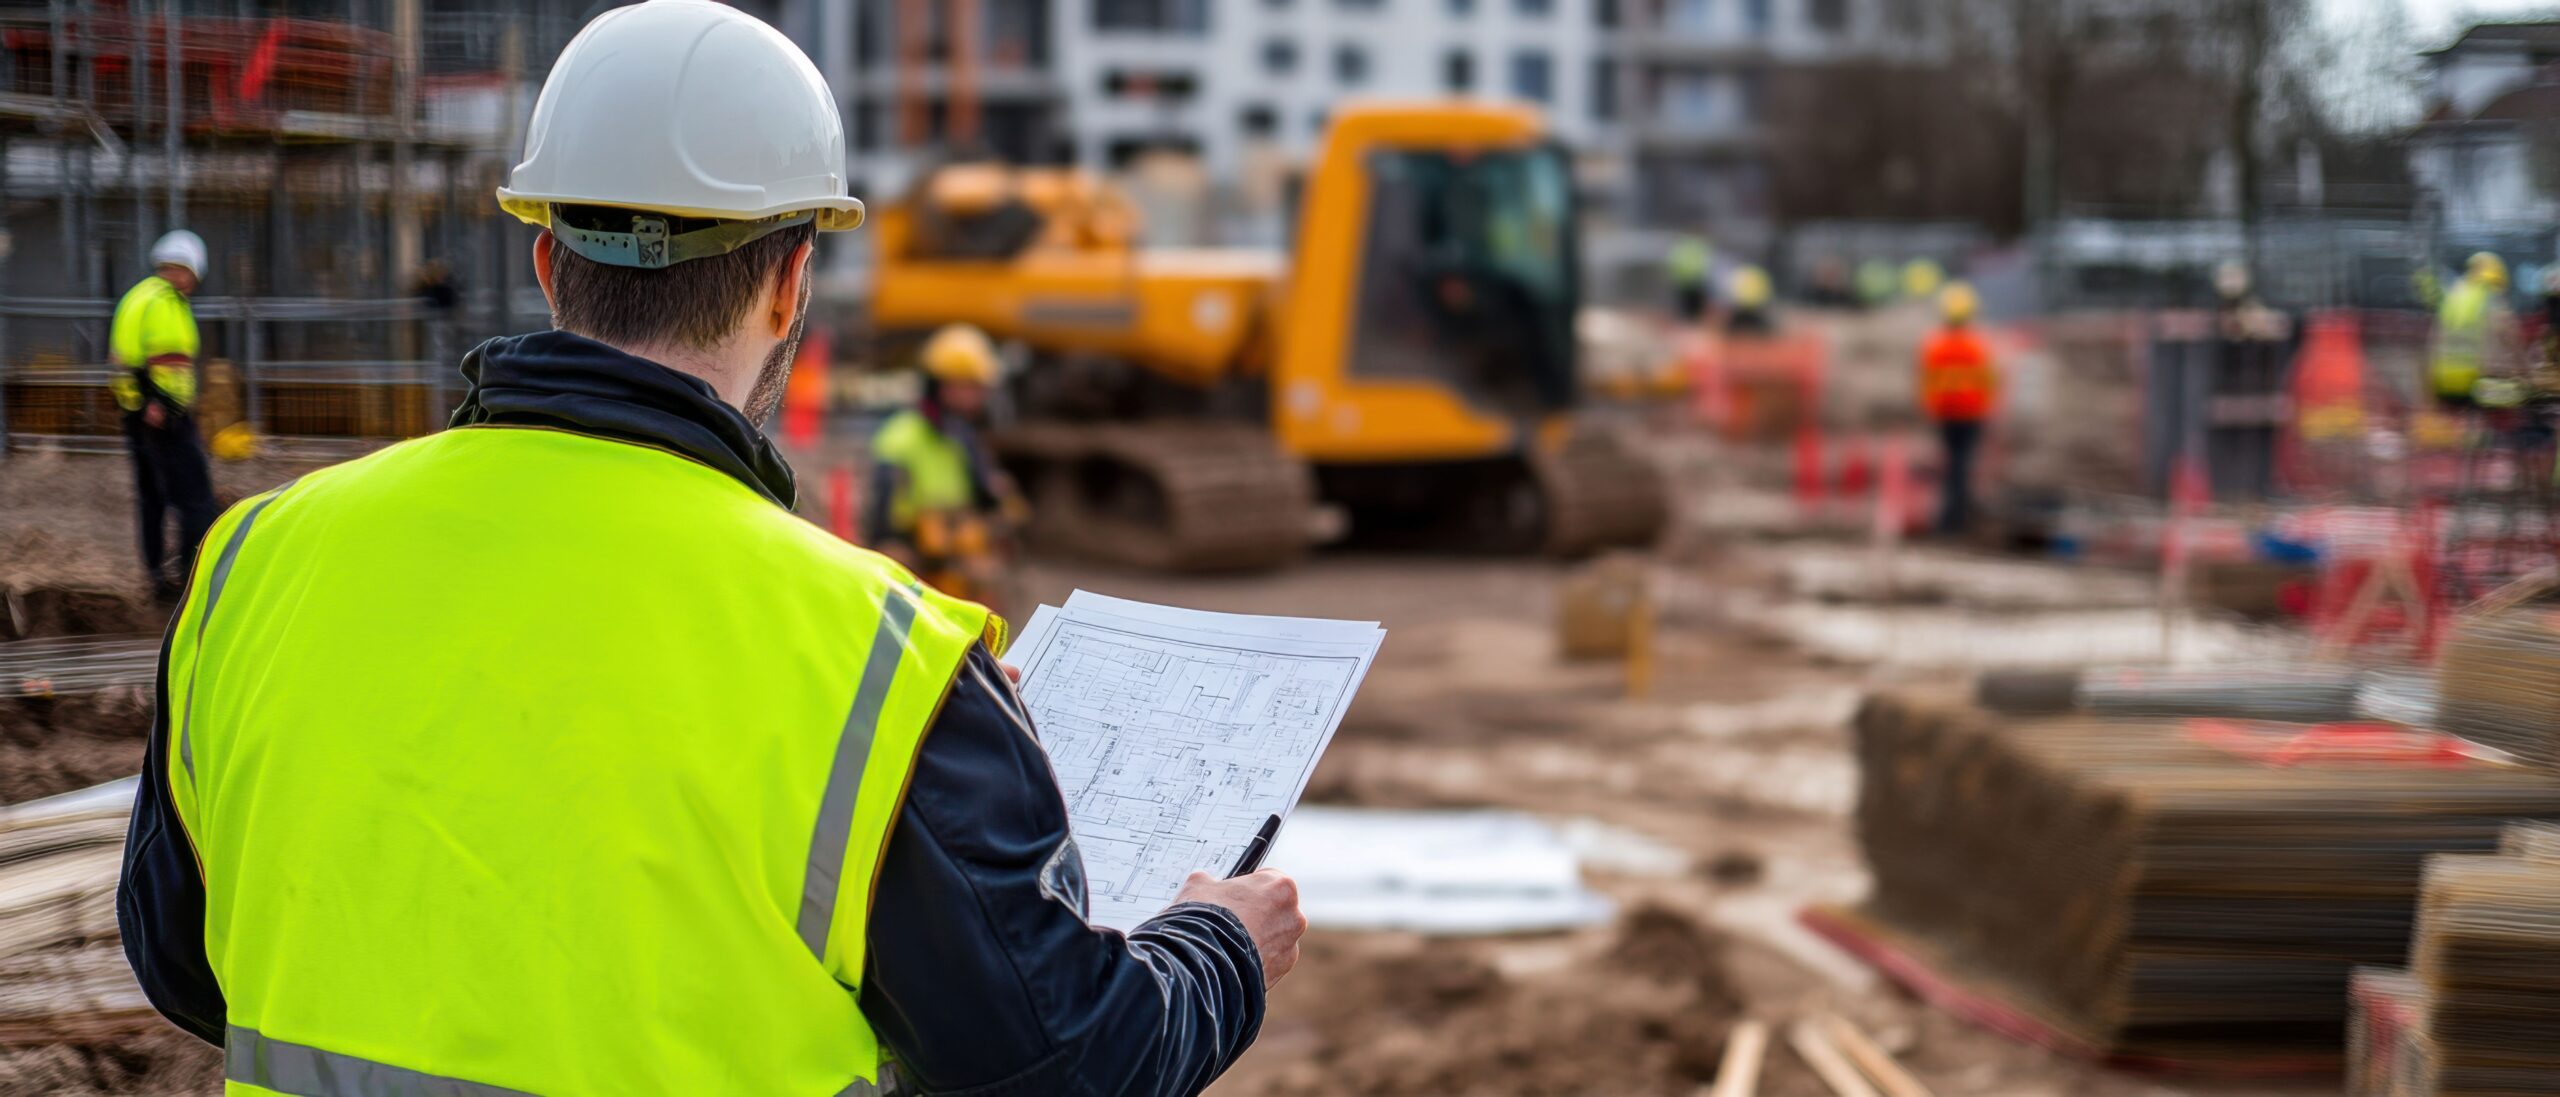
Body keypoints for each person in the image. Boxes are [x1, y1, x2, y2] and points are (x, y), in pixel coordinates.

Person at [116, 5, 1302, 1096]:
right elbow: (1073, 1061)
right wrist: (1218, 944)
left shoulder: (251, 562)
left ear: (545, 259)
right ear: (792, 283)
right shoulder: (878, 665)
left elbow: (181, 959)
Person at [868, 323, 1025, 608]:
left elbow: (988, 497)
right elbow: (882, 522)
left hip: (960, 564)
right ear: (940, 384)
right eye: (969, 386)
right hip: (918, 565)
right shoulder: (900, 437)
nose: (978, 397)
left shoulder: (962, 436)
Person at [109, 230, 220, 602]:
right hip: (160, 416)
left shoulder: (159, 299)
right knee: (196, 497)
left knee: (154, 496)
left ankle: (159, 577)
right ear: (187, 268)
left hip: (154, 413)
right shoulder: (156, 300)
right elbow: (128, 361)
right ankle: (191, 577)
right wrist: (149, 404)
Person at [1919, 282, 1998, 535]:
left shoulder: (1936, 346)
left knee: (1955, 465)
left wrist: (1933, 408)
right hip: (1971, 414)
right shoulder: (1975, 346)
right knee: (1961, 466)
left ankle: (1952, 517)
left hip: (1946, 414)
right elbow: (1987, 381)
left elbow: (1929, 383)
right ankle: (1955, 519)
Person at [2432, 251, 2516, 409]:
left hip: (2445, 381)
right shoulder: (2490, 295)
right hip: (2478, 382)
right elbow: (2507, 335)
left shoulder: (2453, 296)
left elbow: (2435, 340)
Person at [1668, 234, 1713, 323]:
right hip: (1693, 281)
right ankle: (1689, 321)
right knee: (1690, 306)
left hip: (1688, 281)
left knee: (1688, 305)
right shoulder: (1699, 247)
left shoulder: (1684, 247)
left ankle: (1687, 321)